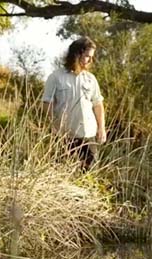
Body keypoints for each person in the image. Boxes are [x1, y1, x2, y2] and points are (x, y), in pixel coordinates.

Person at [42, 37, 106, 170]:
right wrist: (53, 125)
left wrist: (101, 128)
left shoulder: (91, 79)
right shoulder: (56, 77)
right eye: (87, 56)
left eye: (91, 57)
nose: (90, 60)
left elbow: (98, 104)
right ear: (77, 54)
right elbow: (47, 103)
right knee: (61, 172)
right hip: (64, 136)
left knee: (90, 174)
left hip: (88, 135)